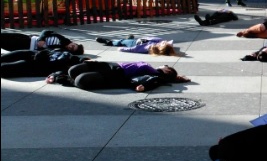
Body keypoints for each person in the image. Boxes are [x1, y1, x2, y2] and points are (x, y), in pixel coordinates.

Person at [48, 61, 189, 92]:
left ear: (167, 71)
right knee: (73, 69)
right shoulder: (153, 69)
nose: (163, 65)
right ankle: (59, 75)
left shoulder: (156, 75)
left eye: (166, 66)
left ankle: (62, 78)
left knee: (81, 80)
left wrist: (142, 86)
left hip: (117, 74)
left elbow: (152, 81)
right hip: (111, 65)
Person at [1, 49, 89, 79]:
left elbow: (59, 73)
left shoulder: (67, 67)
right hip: (34, 55)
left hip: (35, 66)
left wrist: (54, 76)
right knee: (14, 54)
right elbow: (50, 50)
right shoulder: (67, 54)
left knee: (5, 68)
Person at [0, 29, 84, 55]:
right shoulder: (62, 38)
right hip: (27, 39)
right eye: (73, 45)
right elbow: (46, 31)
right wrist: (41, 39)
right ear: (73, 42)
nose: (70, 47)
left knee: (5, 44)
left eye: (72, 49)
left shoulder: (62, 52)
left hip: (26, 47)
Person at [95, 36, 176, 56]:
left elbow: (134, 49)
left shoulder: (149, 47)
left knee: (122, 41)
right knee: (127, 40)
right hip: (139, 40)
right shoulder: (158, 43)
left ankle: (109, 42)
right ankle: (128, 38)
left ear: (161, 47)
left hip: (134, 44)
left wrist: (122, 49)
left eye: (164, 43)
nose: (165, 41)